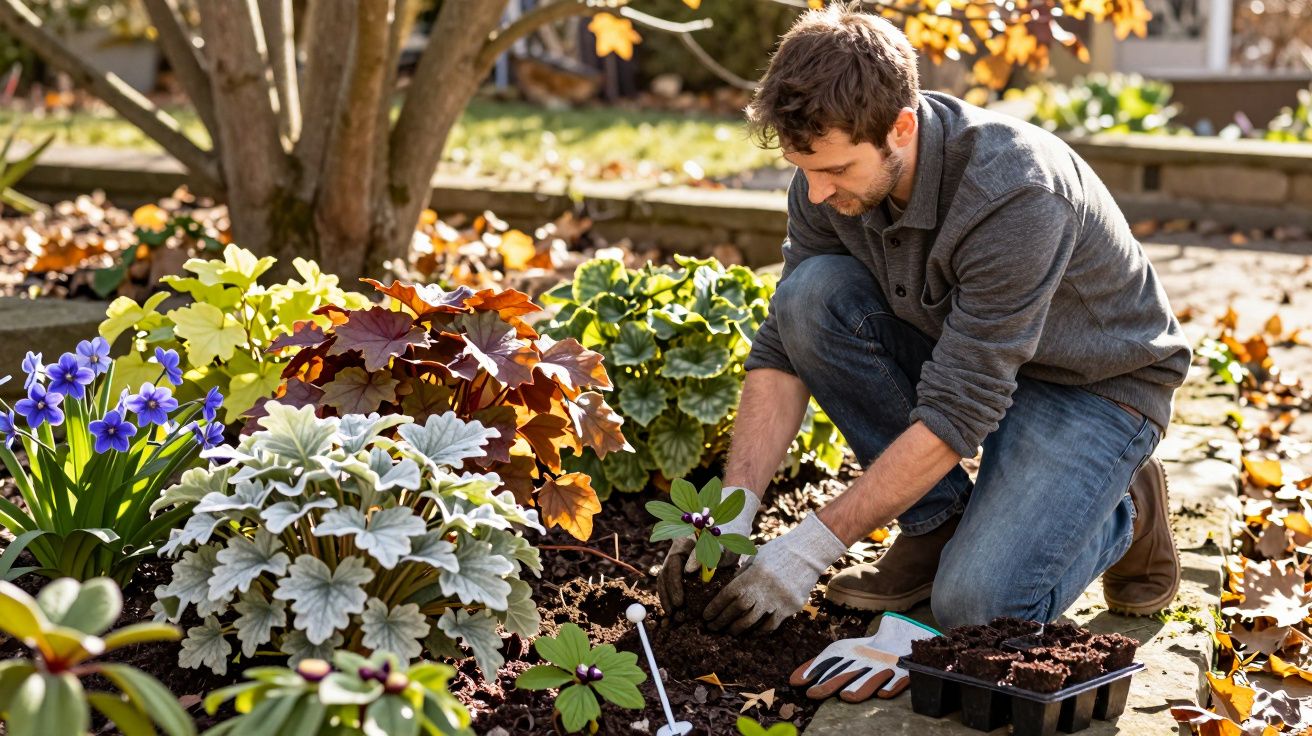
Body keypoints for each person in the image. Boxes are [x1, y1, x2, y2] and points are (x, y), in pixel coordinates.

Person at [656, 2, 1192, 636]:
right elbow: (782, 348)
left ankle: (1122, 503)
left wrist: (809, 549)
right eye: (805, 171)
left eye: (835, 170)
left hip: (1094, 388)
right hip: (972, 356)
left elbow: (959, 409)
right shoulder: (825, 179)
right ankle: (935, 528)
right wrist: (733, 509)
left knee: (975, 612)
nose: (818, 193)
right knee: (808, 296)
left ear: (902, 128)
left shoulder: (1016, 192)